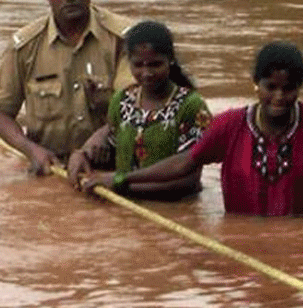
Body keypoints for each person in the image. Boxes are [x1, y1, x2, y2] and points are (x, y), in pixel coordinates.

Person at [84, 41, 303, 216]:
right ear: (256, 85)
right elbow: (185, 162)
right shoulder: (230, 125)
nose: (278, 97)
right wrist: (120, 179)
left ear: (299, 88)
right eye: (270, 87)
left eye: (288, 89)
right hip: (238, 239)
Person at [0, 0, 136, 176]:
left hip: (110, 169)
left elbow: (137, 106)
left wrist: (103, 136)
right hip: (51, 169)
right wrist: (31, 150)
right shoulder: (25, 46)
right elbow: (2, 116)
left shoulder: (123, 39)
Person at [67, 20, 212, 200]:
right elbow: (108, 137)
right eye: (138, 65)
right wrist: (82, 154)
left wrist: (122, 185)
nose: (146, 73)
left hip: (175, 207)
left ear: (171, 60)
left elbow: (189, 180)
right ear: (129, 62)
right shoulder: (122, 100)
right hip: (124, 205)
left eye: (155, 64)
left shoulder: (191, 106)